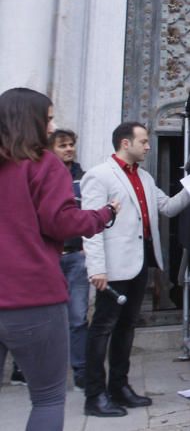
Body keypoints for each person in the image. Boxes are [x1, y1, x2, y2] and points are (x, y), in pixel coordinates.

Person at [0, 87, 119, 430]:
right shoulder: (42, 163)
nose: (51, 128)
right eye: (48, 119)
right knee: (48, 397)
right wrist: (103, 215)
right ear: (29, 121)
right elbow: (61, 221)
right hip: (30, 297)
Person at [81, 123, 190, 416]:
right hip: (112, 269)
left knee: (126, 328)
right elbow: (91, 226)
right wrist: (96, 268)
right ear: (126, 143)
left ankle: (119, 388)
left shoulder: (145, 178)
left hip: (139, 265)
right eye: (144, 141)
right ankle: (94, 395)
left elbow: (169, 207)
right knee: (102, 329)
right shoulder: (99, 176)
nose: (149, 146)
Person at [50, 129, 90, 390]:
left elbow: (87, 213)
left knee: (78, 317)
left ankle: (80, 372)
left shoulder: (84, 178)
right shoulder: (42, 176)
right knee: (44, 317)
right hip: (49, 259)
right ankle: (27, 370)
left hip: (76, 257)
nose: (68, 149)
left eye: (71, 145)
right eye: (62, 145)